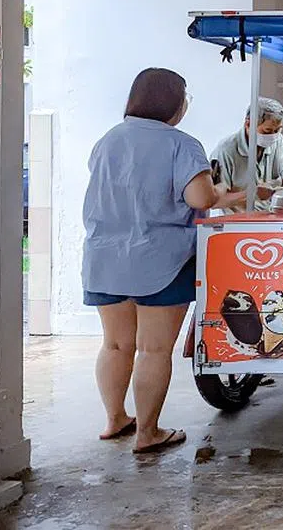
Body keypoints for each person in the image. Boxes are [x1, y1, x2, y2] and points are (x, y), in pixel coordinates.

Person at [83, 68, 226, 456]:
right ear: (174, 103)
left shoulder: (107, 140)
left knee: (115, 344)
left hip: (104, 257)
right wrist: (217, 191)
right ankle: (148, 432)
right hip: (162, 259)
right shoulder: (182, 144)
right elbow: (200, 199)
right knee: (154, 349)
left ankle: (115, 419)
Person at [207, 97, 283, 211]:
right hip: (239, 224)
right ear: (248, 124)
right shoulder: (225, 151)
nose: (273, 136)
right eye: (267, 131)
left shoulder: (277, 140)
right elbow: (215, 201)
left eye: (277, 130)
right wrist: (252, 194)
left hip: (271, 218)